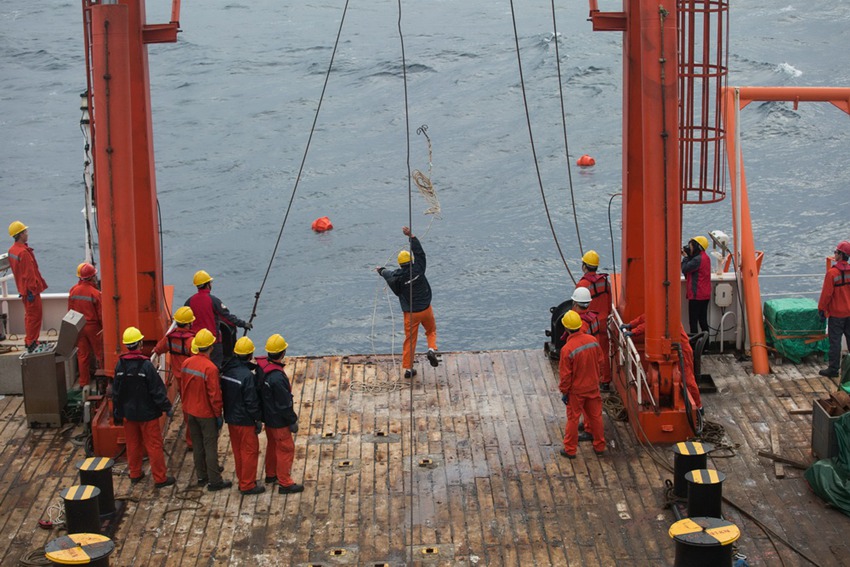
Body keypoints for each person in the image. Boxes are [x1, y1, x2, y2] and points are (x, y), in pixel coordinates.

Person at [112, 326, 175, 488]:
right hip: (147, 414)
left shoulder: (120, 365)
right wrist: (167, 407)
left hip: (129, 414)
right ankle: (160, 478)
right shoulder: (146, 366)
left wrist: (117, 413)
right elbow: (157, 390)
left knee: (132, 444)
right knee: (154, 446)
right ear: (139, 344)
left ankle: (135, 473)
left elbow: (116, 392)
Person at [376, 226, 439, 378]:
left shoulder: (398, 278)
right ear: (411, 260)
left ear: (400, 264)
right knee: (431, 331)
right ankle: (431, 349)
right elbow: (420, 253)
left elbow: (388, 274)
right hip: (426, 309)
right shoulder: (419, 269)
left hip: (411, 314)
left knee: (410, 340)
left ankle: (409, 369)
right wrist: (411, 236)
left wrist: (380, 270)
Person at [621, 314, 703, 414]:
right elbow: (646, 317)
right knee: (685, 378)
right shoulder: (661, 311)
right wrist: (630, 324)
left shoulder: (666, 314)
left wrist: (633, 332)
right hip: (674, 349)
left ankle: (699, 407)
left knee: (688, 379)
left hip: (682, 351)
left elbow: (651, 323)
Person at [181, 328, 231, 492]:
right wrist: (218, 415)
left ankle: (202, 476)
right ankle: (215, 481)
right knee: (210, 446)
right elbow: (214, 396)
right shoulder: (210, 368)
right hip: (206, 413)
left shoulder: (186, 363)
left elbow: (183, 387)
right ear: (211, 347)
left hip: (190, 411)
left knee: (197, 444)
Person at [256, 333, 304, 494]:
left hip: (268, 417)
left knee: (272, 445)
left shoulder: (262, 369)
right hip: (278, 420)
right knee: (286, 448)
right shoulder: (277, 377)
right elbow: (284, 404)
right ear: (283, 352)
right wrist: (292, 420)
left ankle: (271, 474)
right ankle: (285, 483)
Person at [558, 310, 606, 459]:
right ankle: (599, 446)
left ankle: (570, 450)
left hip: (576, 391)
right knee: (596, 417)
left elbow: (565, 376)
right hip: (593, 386)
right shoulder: (593, 340)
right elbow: (601, 362)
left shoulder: (567, 349)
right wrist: (597, 378)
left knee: (573, 419)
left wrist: (564, 391)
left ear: (566, 328)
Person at [221, 336, 265, 495]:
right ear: (250, 355)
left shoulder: (227, 371)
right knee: (250, 451)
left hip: (231, 418)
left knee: (238, 450)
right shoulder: (247, 376)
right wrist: (257, 419)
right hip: (245, 420)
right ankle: (247, 485)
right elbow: (251, 402)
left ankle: (243, 479)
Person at [185, 270, 252, 368]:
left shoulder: (189, 301)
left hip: (196, 343)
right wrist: (243, 324)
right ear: (208, 285)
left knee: (198, 366)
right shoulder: (213, 301)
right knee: (215, 368)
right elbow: (227, 317)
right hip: (213, 343)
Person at [153, 306, 196, 449]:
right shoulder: (191, 341)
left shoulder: (169, 339)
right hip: (192, 379)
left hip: (179, 378)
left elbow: (158, 349)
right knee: (193, 409)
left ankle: (191, 439)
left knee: (187, 407)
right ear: (189, 323)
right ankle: (192, 440)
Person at [7, 221, 48, 352]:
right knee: (34, 317)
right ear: (20, 234)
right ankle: (32, 342)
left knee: (29, 317)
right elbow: (29, 274)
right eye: (25, 232)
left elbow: (18, 272)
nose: (27, 234)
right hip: (30, 291)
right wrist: (32, 290)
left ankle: (30, 340)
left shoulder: (12, 250)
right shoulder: (23, 253)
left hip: (23, 289)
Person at [817, 240, 850, 378]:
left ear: (841, 255)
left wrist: (821, 309)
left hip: (837, 314)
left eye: (836, 252)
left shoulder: (832, 273)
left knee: (835, 342)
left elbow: (826, 295)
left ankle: (833, 369)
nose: (834, 254)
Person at [68, 263, 103, 387]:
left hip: (79, 325)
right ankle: (103, 379)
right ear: (92, 277)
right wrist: (104, 327)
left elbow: (70, 311)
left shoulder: (73, 291)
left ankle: (83, 382)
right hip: (93, 327)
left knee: (82, 355)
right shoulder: (95, 293)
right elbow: (101, 314)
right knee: (100, 354)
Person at [571, 286, 611, 391]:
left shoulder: (580, 323)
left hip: (584, 360)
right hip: (594, 354)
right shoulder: (593, 317)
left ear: (575, 303)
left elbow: (576, 345)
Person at [681, 236, 711, 335]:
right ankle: (706, 343)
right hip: (704, 294)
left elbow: (685, 269)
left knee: (693, 322)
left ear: (697, 247)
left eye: (691, 246)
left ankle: (695, 343)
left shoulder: (697, 260)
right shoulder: (705, 257)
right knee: (703, 321)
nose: (690, 248)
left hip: (697, 295)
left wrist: (685, 257)